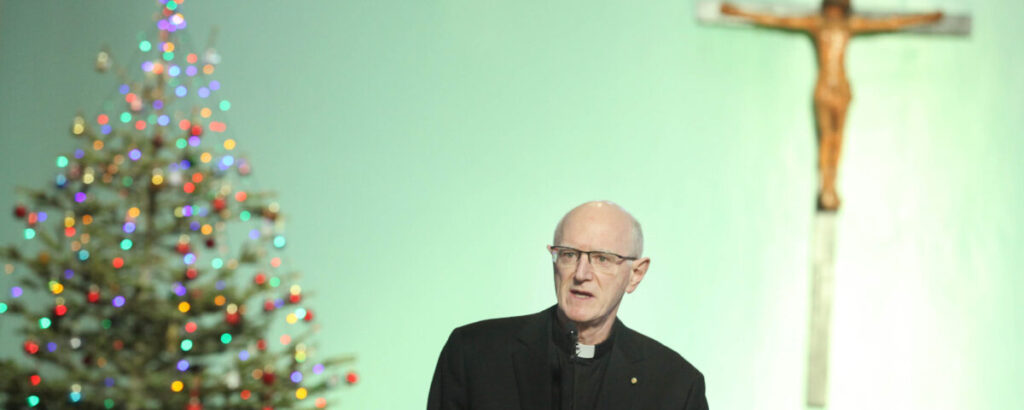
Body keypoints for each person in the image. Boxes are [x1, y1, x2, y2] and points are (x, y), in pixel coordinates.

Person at [428, 201, 708, 410]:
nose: (581, 274)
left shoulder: (676, 385)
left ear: (636, 274)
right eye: (569, 254)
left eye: (602, 259)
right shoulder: (474, 353)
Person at [720, 0, 943, 211]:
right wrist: (738, 13)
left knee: (838, 138)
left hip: (842, 90)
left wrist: (927, 18)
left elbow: (891, 22)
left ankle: (832, 185)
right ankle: (826, 187)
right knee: (827, 137)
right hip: (824, 89)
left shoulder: (849, 25)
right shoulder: (817, 24)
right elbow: (776, 19)